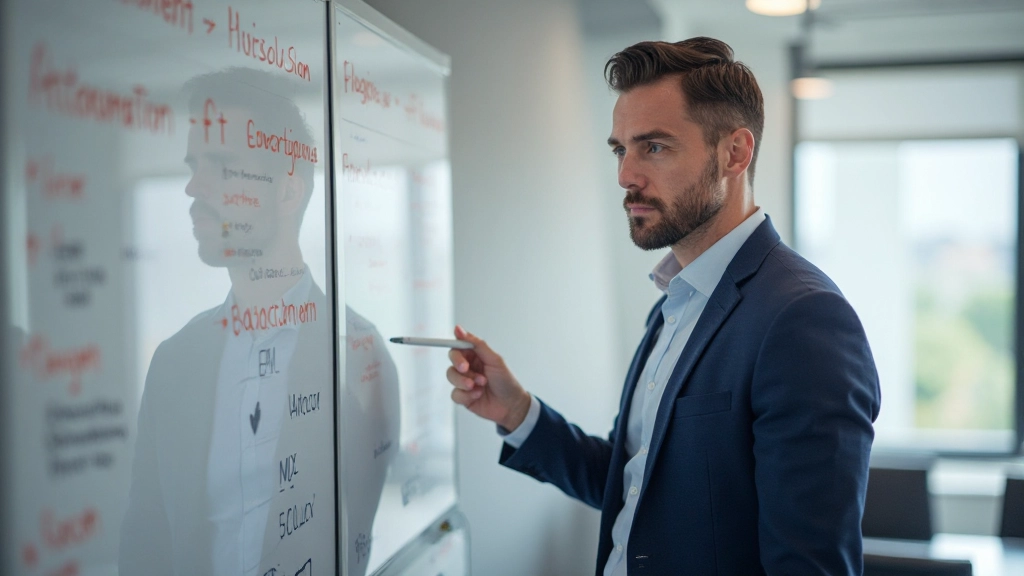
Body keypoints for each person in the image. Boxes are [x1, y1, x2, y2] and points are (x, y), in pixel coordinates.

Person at [445, 37, 881, 575]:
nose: (626, 175)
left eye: (654, 146)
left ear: (734, 153)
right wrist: (517, 412)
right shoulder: (674, 303)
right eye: (619, 149)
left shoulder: (803, 319)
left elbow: (811, 567)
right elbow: (636, 479)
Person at [119, 67, 399, 576]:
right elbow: (145, 540)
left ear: (288, 193)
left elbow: (357, 540)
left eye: (222, 166)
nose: (192, 187)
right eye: (193, 165)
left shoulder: (357, 353)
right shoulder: (174, 360)